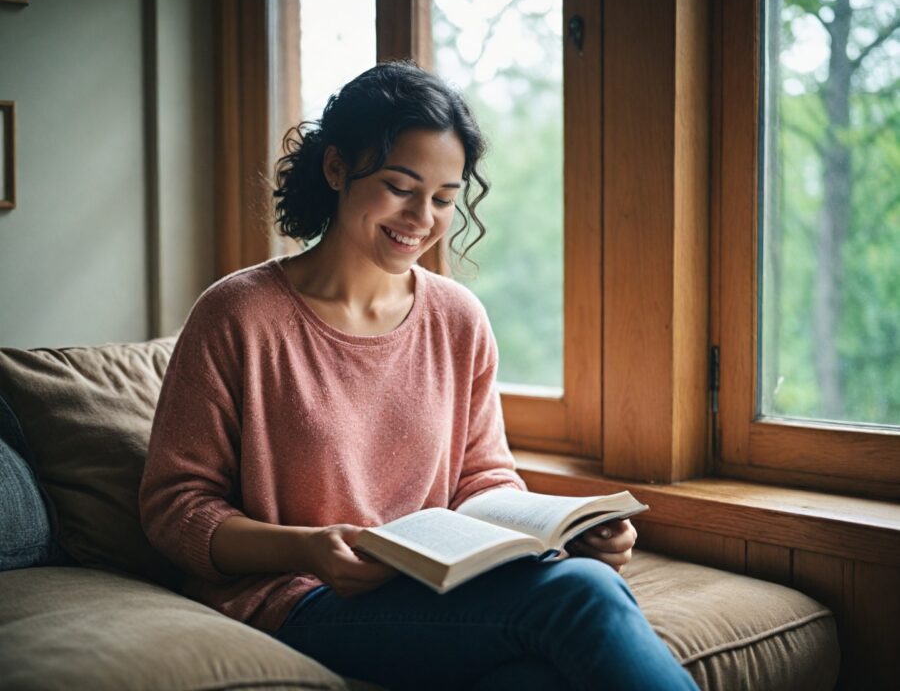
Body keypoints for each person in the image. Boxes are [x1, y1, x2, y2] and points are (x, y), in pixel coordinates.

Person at [139, 61, 698, 691]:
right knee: (583, 596)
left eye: (443, 199)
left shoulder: (458, 317)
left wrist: (569, 534)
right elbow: (174, 510)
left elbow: (484, 477)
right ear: (335, 169)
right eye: (400, 187)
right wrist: (308, 547)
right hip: (300, 599)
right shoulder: (238, 314)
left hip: (440, 590)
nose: (422, 219)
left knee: (540, 674)